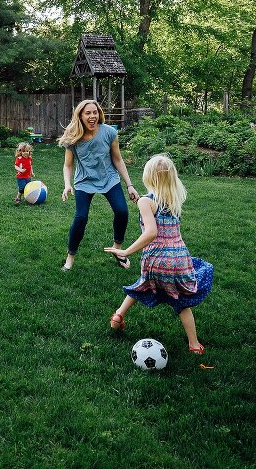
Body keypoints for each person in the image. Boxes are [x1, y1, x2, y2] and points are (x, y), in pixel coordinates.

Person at [104, 154, 213, 354]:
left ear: (148, 176)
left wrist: (126, 251)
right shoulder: (173, 199)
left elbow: (151, 232)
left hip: (155, 258)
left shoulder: (146, 201)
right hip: (178, 258)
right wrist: (141, 202)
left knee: (143, 284)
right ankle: (194, 345)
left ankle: (117, 317)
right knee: (181, 301)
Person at [58, 99, 140, 271]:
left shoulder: (109, 132)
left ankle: (117, 251)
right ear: (80, 115)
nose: (92, 116)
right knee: (81, 217)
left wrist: (130, 185)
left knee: (122, 211)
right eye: (88, 113)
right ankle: (70, 257)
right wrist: (67, 184)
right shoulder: (73, 137)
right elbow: (67, 165)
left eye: (95, 112)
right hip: (84, 181)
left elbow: (117, 159)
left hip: (109, 178)